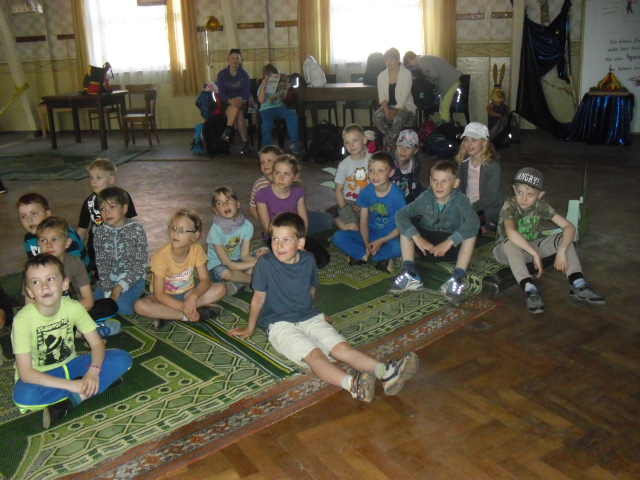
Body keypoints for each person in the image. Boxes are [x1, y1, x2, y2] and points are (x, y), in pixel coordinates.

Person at [228, 212, 418, 403]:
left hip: (309, 316)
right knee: (315, 356)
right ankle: (353, 384)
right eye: (275, 239)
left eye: (286, 240)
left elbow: (311, 288)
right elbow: (258, 299)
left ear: (300, 243)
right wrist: (250, 327)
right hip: (279, 323)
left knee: (341, 348)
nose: (278, 245)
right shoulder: (265, 264)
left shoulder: (308, 260)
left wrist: (314, 311)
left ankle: (386, 372)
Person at [11, 254, 132, 429]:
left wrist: (93, 371)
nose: (44, 286)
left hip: (71, 365)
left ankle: (75, 399)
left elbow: (97, 344)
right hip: (41, 375)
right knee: (23, 396)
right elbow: (26, 373)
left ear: (65, 284)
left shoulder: (74, 307)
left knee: (122, 358)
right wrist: (72, 384)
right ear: (29, 291)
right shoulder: (22, 321)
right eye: (36, 282)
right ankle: (93, 386)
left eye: (50, 279)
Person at [493, 168, 605, 314]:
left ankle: (578, 283)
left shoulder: (541, 206)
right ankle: (530, 288)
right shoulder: (510, 205)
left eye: (530, 194)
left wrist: (562, 250)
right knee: (510, 242)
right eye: (520, 192)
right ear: (514, 189)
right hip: (504, 251)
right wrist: (534, 254)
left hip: (530, 247)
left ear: (540, 195)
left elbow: (569, 227)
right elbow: (511, 233)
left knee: (564, 238)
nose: (524, 198)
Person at [390, 160, 479, 304]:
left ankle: (457, 277)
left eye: (444, 181)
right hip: (426, 247)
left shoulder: (461, 200)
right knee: (407, 224)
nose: (438, 185)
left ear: (456, 183)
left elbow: (474, 223)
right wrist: (417, 237)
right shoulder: (426, 197)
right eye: (435, 180)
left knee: (470, 233)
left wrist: (450, 241)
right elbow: (400, 215)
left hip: (450, 249)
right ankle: (410, 273)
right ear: (430, 181)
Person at [134, 209, 226, 330]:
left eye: (182, 230)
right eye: (173, 228)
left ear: (195, 236)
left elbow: (205, 280)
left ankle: (167, 315)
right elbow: (159, 294)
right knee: (140, 306)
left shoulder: (196, 249)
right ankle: (186, 315)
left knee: (221, 288)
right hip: (165, 298)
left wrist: (193, 298)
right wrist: (185, 308)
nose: (176, 233)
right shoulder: (160, 257)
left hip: (188, 293)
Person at [31, 216, 121, 337]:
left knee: (109, 305)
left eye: (55, 239)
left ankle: (75, 331)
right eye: (43, 241)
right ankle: (85, 330)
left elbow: (88, 301)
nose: (49, 245)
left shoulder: (75, 262)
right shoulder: (34, 269)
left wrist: (65, 312)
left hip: (75, 311)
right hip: (48, 317)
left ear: (67, 242)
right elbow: (29, 306)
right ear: (38, 244)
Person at [332, 152, 405, 272]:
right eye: (371, 170)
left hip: (389, 237)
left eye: (380, 171)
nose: (375, 175)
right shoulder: (366, 192)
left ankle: (362, 257)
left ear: (391, 173)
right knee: (338, 237)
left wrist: (381, 241)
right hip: (371, 234)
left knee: (400, 246)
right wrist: (366, 242)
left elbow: (401, 226)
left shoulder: (397, 195)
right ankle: (375, 258)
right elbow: (363, 221)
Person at [255, 155, 331, 268]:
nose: (281, 178)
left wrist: (300, 240)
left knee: (322, 260)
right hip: (276, 237)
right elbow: (267, 228)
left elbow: (303, 220)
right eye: (277, 173)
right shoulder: (262, 194)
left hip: (296, 234)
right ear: (272, 174)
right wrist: (287, 241)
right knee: (288, 262)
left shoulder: (298, 192)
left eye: (286, 174)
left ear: (295, 177)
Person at [93, 187, 148, 315]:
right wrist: (108, 292)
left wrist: (119, 287)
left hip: (132, 279)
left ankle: (139, 295)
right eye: (102, 209)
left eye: (112, 207)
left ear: (124, 209)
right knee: (93, 303)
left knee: (122, 307)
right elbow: (101, 264)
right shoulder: (99, 233)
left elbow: (140, 265)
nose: (107, 212)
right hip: (109, 280)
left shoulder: (136, 230)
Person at [76, 158, 137, 271]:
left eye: (98, 178)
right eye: (91, 177)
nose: (93, 182)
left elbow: (130, 223)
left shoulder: (123, 197)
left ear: (111, 179)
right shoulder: (89, 203)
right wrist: (76, 251)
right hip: (97, 247)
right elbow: (82, 230)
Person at [207, 186, 268, 294]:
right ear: (216, 210)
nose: (225, 205)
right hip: (220, 266)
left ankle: (236, 283)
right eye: (219, 203)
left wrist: (259, 258)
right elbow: (228, 264)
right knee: (226, 273)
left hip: (238, 262)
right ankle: (254, 281)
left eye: (229, 200)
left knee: (265, 252)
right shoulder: (215, 230)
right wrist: (257, 262)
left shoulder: (247, 226)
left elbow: (244, 256)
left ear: (238, 204)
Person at [17, 192, 89, 268]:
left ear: (48, 214)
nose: (29, 219)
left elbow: (75, 267)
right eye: (24, 216)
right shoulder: (29, 239)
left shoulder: (65, 234)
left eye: (34, 213)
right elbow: (34, 264)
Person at [455, 122, 504, 233]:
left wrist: (471, 208)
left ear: (484, 142)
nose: (469, 144)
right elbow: (459, 188)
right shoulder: (463, 163)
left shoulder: (492, 166)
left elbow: (491, 196)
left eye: (474, 140)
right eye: (466, 140)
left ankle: (485, 227)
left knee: (468, 230)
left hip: (486, 209)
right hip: (468, 205)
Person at [372, 48, 417, 150]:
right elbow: (382, 96)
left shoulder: (406, 73)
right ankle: (393, 143)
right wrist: (386, 110)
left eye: (392, 59)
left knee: (398, 117)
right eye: (386, 59)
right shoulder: (381, 76)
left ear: (397, 60)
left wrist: (395, 110)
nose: (389, 62)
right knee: (376, 117)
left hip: (405, 106)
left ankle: (388, 146)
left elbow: (404, 96)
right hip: (388, 106)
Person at [334, 124, 372, 231]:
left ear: (364, 140)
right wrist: (344, 207)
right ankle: (338, 221)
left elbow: (378, 184)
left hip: (369, 201)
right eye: (347, 142)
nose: (351, 145)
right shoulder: (343, 165)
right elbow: (338, 189)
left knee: (375, 225)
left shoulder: (373, 160)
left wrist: (365, 203)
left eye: (355, 140)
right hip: (349, 202)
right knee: (354, 228)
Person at [257, 64, 301, 155]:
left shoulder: (279, 84)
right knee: (267, 125)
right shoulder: (262, 85)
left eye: (275, 76)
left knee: (293, 116)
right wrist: (263, 86)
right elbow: (261, 100)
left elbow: (282, 98)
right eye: (269, 76)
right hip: (266, 109)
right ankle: (267, 146)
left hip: (279, 107)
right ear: (265, 76)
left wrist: (286, 89)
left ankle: (294, 143)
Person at [406, 53, 462, 123]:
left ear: (410, 59)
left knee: (444, 109)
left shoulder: (422, 60)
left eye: (409, 63)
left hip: (449, 82)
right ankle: (445, 125)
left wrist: (426, 79)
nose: (411, 65)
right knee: (443, 108)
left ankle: (444, 127)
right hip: (451, 80)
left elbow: (434, 75)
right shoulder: (424, 57)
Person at [217, 48, 252, 155]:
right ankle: (245, 143)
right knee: (238, 113)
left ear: (240, 60)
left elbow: (246, 93)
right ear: (228, 59)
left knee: (238, 108)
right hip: (227, 103)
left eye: (237, 58)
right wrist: (231, 100)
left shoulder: (244, 74)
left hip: (242, 102)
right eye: (232, 58)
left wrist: (240, 100)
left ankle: (228, 130)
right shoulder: (222, 74)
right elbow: (222, 94)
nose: (234, 60)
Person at [249, 145, 283, 221]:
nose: (265, 164)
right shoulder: (259, 184)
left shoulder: (287, 180)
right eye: (262, 162)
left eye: (269, 161)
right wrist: (265, 223)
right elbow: (253, 207)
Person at [391, 129, 425, 203]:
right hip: (391, 200)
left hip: (408, 199)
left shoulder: (416, 164)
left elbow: (415, 183)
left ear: (415, 150)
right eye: (400, 145)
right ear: (396, 145)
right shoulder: (388, 162)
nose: (403, 150)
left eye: (408, 147)